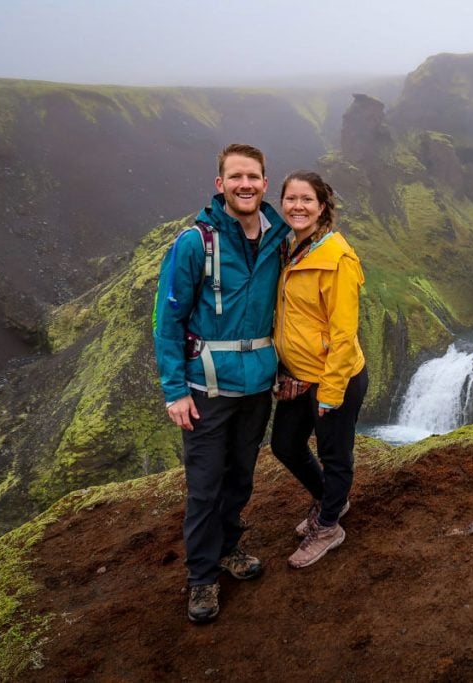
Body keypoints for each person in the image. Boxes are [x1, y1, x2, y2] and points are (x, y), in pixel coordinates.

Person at [152, 143, 289, 623]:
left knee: (241, 477)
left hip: (255, 388)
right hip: (206, 389)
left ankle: (228, 547)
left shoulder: (279, 238)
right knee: (205, 487)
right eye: (235, 177)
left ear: (265, 183)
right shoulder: (195, 243)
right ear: (220, 185)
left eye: (253, 176)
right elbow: (167, 319)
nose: (245, 185)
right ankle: (202, 578)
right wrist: (174, 391)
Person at [270, 170, 368, 569]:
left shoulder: (337, 259)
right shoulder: (292, 249)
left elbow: (344, 334)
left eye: (306, 200)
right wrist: (281, 370)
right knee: (284, 445)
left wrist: (330, 391)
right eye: (291, 199)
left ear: (322, 206)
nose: (298, 206)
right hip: (298, 377)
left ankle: (329, 525)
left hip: (335, 378)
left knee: (334, 453)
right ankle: (332, 499)